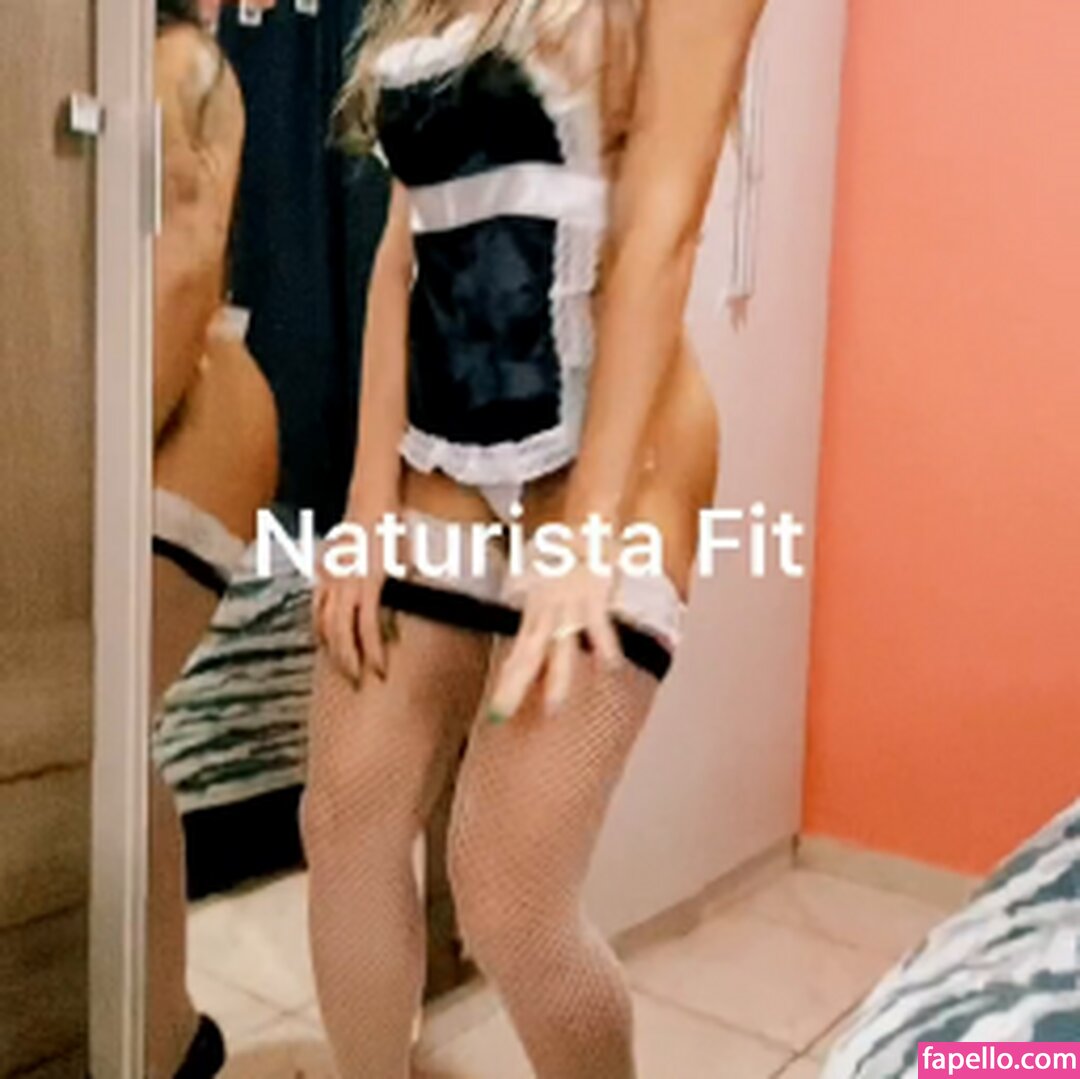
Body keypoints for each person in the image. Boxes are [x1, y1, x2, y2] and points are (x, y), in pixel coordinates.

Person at [305, 0, 766, 1075]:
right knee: (345, 819)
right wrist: (367, 506)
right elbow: (403, 251)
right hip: (438, 457)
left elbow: (662, 234)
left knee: (508, 892)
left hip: (622, 459)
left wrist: (588, 532)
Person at [151, 2, 278, 1075]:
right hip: (177, 411)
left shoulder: (179, 59)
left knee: (104, 734)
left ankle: (157, 1034)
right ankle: (163, 1031)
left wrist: (103, 456)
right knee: (115, 741)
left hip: (188, 419)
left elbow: (188, 259)